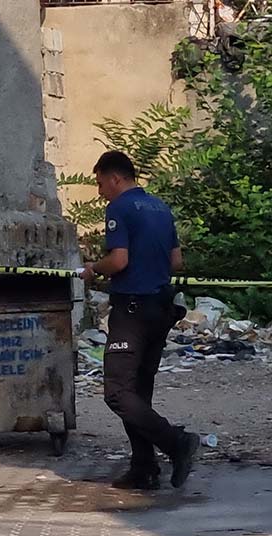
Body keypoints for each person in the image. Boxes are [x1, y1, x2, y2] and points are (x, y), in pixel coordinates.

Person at [80, 150, 199, 490]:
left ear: (115, 178)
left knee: (117, 392)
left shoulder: (119, 208)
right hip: (160, 308)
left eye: (100, 183)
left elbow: (118, 261)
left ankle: (177, 442)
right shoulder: (161, 208)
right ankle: (144, 468)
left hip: (132, 310)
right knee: (139, 391)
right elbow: (176, 261)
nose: (100, 191)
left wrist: (94, 269)